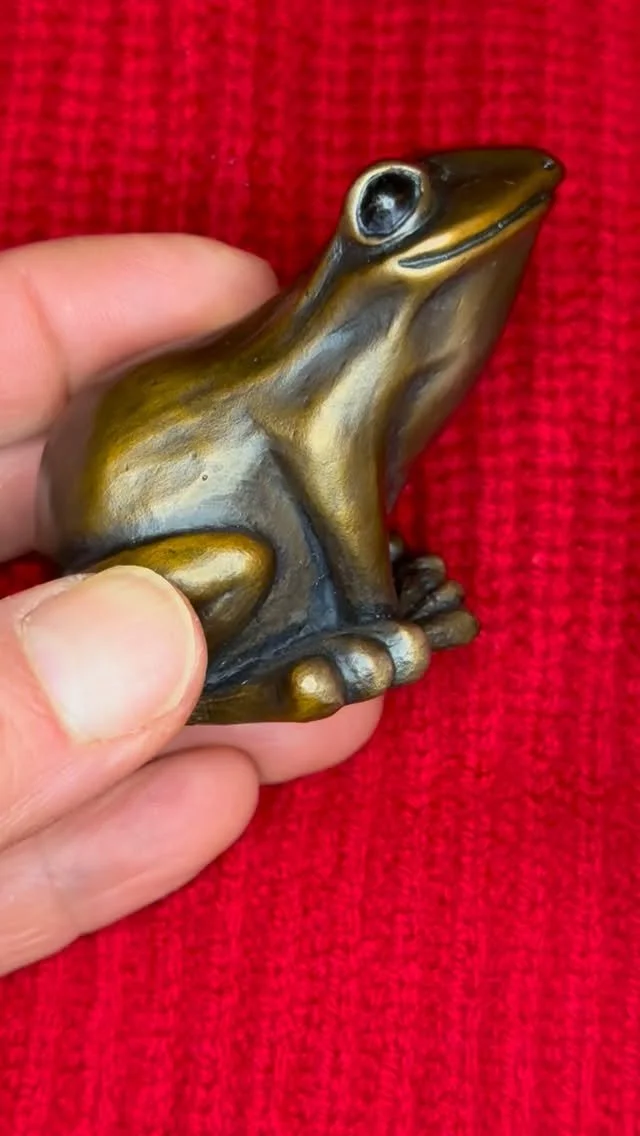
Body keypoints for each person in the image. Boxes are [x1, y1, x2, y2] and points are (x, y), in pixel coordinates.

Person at [0, 234, 381, 977]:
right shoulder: (336, 353)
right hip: (162, 567)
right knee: (239, 566)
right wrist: (372, 609)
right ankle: (235, 684)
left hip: (189, 509)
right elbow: (328, 466)